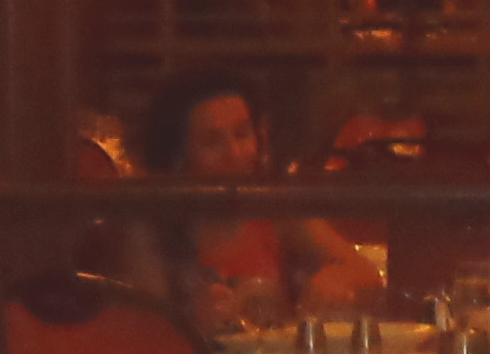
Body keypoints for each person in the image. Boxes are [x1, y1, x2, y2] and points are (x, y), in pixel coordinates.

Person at [111, 68, 380, 332]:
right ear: (177, 157)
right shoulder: (149, 227)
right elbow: (150, 330)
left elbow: (366, 273)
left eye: (242, 135)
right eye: (212, 142)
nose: (234, 153)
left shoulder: (272, 210)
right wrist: (193, 317)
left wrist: (335, 277)